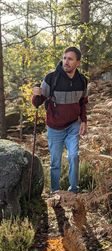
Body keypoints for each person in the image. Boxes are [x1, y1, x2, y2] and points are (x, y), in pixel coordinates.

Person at [32, 46, 88, 194]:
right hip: (54, 127)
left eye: (70, 59)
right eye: (64, 58)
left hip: (72, 125)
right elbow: (38, 102)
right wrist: (36, 95)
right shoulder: (51, 78)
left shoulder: (82, 81)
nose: (66, 62)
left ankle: (73, 191)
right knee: (55, 162)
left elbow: (83, 102)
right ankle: (55, 192)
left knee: (74, 156)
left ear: (78, 63)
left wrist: (83, 121)